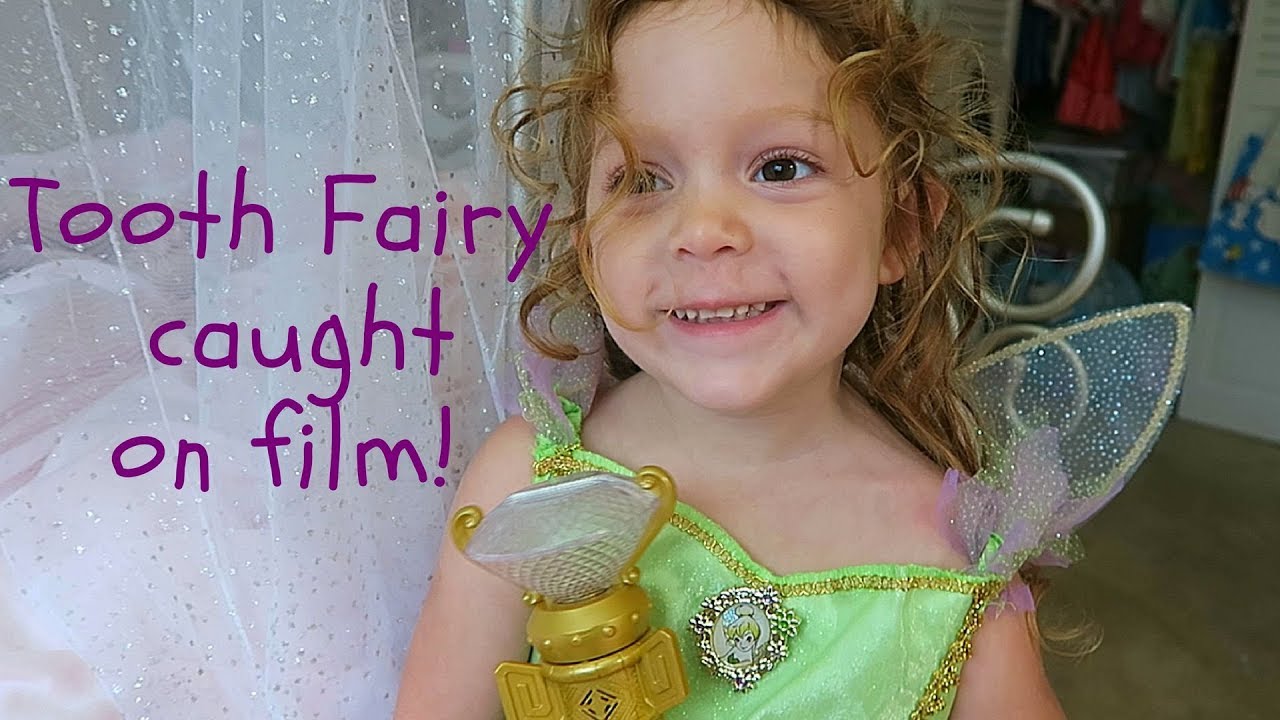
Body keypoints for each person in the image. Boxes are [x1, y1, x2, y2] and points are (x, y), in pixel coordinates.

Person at [394, 0, 1188, 717]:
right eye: (641, 179)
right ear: (586, 250)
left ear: (901, 227)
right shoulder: (527, 486)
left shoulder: (960, 561)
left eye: (780, 167)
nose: (703, 230)